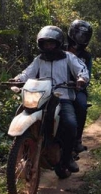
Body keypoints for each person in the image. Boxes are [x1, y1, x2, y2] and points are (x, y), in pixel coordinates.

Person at [13, 25, 90, 173]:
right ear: (40, 44)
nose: (48, 46)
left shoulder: (68, 57)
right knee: (23, 114)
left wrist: (81, 79)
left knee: (70, 124)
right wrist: (17, 79)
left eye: (51, 43)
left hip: (63, 97)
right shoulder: (39, 60)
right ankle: (25, 149)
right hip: (41, 97)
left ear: (58, 43)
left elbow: (82, 69)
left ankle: (67, 158)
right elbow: (27, 73)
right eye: (45, 43)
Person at [66, 19, 93, 154]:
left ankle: (77, 140)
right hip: (57, 87)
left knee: (81, 106)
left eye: (84, 36)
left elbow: (87, 73)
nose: (80, 38)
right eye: (78, 34)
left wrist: (81, 82)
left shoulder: (86, 56)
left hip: (77, 89)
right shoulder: (60, 50)